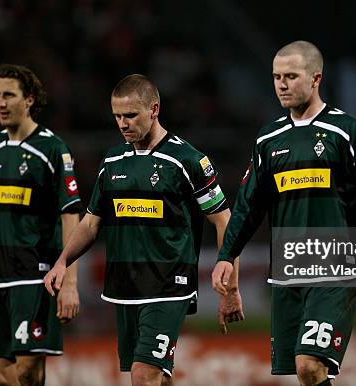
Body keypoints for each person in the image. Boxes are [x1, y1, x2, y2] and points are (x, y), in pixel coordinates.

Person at [212, 40, 356, 386]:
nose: (282, 84)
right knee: (307, 375)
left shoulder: (348, 131)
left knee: (309, 364)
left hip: (337, 268)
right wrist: (226, 255)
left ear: (315, 78)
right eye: (276, 76)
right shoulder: (269, 139)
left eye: (291, 76)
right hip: (289, 270)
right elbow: (249, 206)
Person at [43, 74, 244, 386]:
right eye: (117, 117)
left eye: (131, 115)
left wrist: (231, 289)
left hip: (169, 285)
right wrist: (62, 261)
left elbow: (224, 220)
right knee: (156, 377)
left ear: (154, 109)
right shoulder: (112, 161)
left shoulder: (187, 160)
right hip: (125, 288)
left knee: (143, 376)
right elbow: (91, 223)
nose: (123, 124)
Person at [0, 64, 83, 385]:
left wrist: (70, 283)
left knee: (28, 371)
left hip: (35, 276)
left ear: (29, 100)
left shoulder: (52, 149)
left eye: (9, 95)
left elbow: (71, 215)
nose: (1, 102)